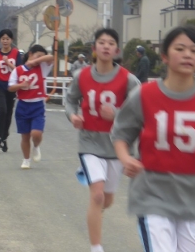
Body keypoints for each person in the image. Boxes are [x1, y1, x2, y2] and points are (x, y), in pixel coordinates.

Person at [112, 25, 195, 252]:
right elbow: (121, 133)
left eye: (194, 50)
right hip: (153, 193)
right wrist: (125, 158)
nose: (188, 54)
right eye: (180, 48)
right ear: (165, 56)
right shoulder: (144, 95)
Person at [65, 28, 141, 252]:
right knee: (97, 195)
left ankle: (97, 211)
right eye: (102, 42)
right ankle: (96, 247)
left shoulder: (128, 79)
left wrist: (117, 113)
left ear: (117, 50)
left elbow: (141, 110)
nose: (106, 46)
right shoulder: (82, 76)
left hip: (117, 147)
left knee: (106, 200)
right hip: (89, 143)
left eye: (110, 43)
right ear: (94, 48)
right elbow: (69, 101)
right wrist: (73, 116)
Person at [8, 45, 53, 169]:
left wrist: (36, 61)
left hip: (38, 104)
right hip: (23, 105)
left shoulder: (43, 68)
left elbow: (51, 57)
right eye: (38, 55)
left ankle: (36, 146)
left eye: (42, 57)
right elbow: (11, 87)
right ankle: (26, 159)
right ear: (30, 53)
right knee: (25, 135)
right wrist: (21, 85)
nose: (41, 59)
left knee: (36, 133)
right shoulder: (17, 70)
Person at [0, 29, 23, 152]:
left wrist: (8, 63)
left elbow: (19, 69)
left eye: (7, 39)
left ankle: (4, 138)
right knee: (2, 110)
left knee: (8, 113)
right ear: (0, 40)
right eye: (3, 39)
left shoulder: (16, 53)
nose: (5, 41)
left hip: (12, 86)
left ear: (12, 40)